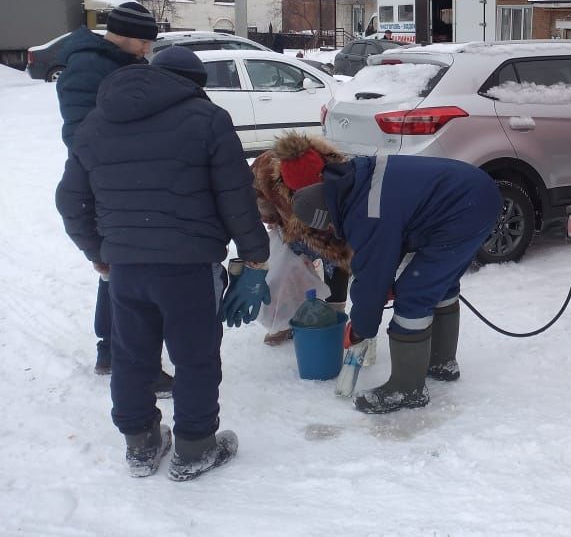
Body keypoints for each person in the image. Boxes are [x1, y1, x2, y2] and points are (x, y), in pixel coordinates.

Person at [55, 46, 270, 480]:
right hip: (189, 266)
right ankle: (194, 449)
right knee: (195, 358)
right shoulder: (207, 120)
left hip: (126, 268)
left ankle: (141, 446)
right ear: (194, 83)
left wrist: (98, 252)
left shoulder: (96, 123)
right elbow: (237, 197)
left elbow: (70, 200)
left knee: (132, 357)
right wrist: (254, 256)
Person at [286, 151, 500, 414]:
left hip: (465, 208)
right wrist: (383, 280)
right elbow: (395, 227)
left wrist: (359, 330)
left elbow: (370, 278)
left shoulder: (366, 212)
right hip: (474, 194)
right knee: (439, 284)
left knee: (414, 294)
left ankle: (407, 390)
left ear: (326, 221)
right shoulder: (356, 181)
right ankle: (442, 363)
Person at [55, 1, 174, 395]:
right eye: (143, 41)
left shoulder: (119, 62)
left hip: (119, 177)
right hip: (106, 182)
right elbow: (81, 134)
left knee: (119, 267)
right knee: (126, 268)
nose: (147, 50)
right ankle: (131, 360)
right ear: (123, 35)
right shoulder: (90, 67)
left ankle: (111, 350)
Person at [251, 133, 353, 345]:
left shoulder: (341, 172)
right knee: (282, 275)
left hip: (331, 234)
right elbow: (257, 196)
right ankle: (287, 320)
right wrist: (270, 216)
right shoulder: (265, 168)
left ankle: (332, 321)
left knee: (337, 267)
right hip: (292, 229)